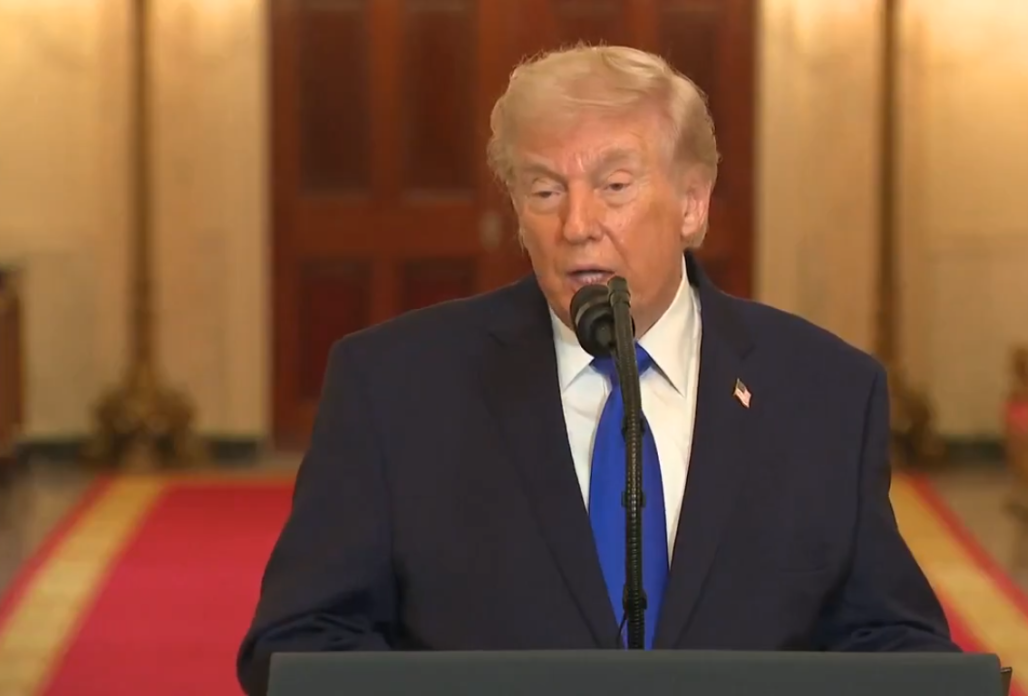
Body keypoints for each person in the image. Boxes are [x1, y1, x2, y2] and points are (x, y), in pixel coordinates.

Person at [236, 44, 960, 696]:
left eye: (615, 186)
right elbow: (299, 645)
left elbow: (891, 642)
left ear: (692, 203)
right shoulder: (393, 388)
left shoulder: (823, 392)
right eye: (545, 190)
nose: (576, 223)